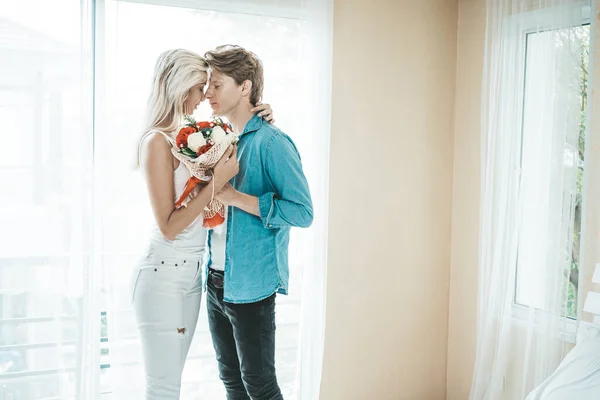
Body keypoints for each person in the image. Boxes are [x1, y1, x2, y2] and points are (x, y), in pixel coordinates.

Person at [131, 48, 274, 400]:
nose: (204, 96)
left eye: (209, 86)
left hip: (193, 274)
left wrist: (263, 118)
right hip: (162, 273)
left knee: (173, 382)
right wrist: (215, 182)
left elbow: (236, 142)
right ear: (179, 87)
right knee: (163, 388)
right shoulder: (156, 142)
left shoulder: (190, 137)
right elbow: (168, 226)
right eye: (199, 87)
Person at [203, 45, 314, 400]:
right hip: (215, 279)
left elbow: (302, 212)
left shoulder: (272, 143)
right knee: (231, 382)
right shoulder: (217, 138)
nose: (208, 93)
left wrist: (236, 198)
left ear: (245, 87)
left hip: (251, 286)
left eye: (216, 85)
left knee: (260, 387)